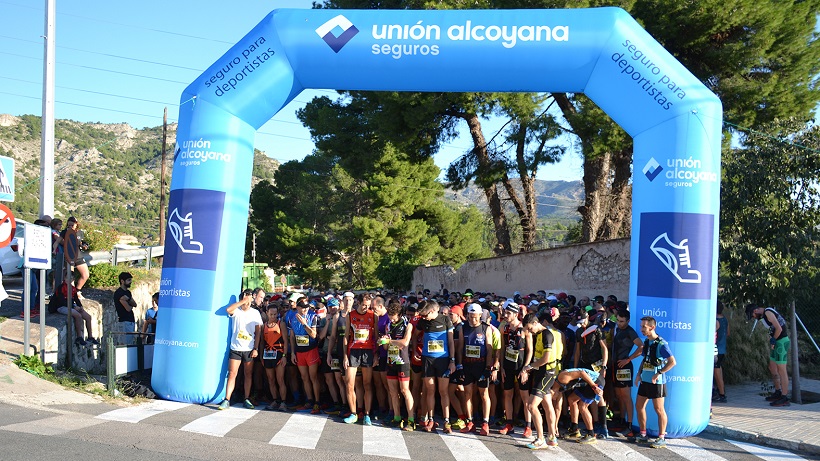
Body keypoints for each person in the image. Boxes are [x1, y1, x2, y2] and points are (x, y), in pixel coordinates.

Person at [519, 310, 564, 449]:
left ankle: (540, 439)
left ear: (535, 323)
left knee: (531, 406)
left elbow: (545, 358)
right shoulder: (538, 334)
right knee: (547, 404)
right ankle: (551, 437)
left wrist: (528, 367)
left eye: (529, 328)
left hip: (546, 373)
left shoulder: (546, 335)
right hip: (541, 372)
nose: (529, 332)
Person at [456, 303, 501, 436]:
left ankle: (485, 423)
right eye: (470, 317)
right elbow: (459, 349)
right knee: (468, 394)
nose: (473, 320)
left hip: (481, 365)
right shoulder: (463, 328)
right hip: (467, 364)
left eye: (475, 317)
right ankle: (470, 422)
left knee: (484, 394)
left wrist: (488, 367)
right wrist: (459, 365)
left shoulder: (486, 328)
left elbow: (489, 349)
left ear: (480, 316)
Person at [632, 316, 676, 448]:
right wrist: (639, 374)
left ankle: (661, 437)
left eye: (644, 327)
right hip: (645, 380)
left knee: (659, 409)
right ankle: (643, 434)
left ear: (652, 327)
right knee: (639, 406)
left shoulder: (662, 344)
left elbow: (672, 362)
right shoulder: (646, 342)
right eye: (641, 327)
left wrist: (659, 373)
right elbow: (645, 359)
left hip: (657, 383)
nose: (641, 329)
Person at [415, 300, 456, 433]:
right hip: (427, 360)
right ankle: (431, 419)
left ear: (432, 311)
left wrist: (452, 361)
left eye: (425, 315)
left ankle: (446, 421)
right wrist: (416, 349)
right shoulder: (422, 322)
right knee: (430, 390)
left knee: (443, 391)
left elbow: (451, 342)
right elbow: (414, 336)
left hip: (443, 359)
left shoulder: (445, 320)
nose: (424, 317)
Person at [218, 290, 263, 410]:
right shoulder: (236, 311)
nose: (248, 301)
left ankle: (246, 398)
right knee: (232, 373)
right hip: (236, 347)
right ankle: (227, 399)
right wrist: (242, 301)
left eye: (249, 298)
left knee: (248, 374)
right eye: (246, 297)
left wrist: (256, 348)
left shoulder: (255, 313)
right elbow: (228, 310)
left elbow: (258, 332)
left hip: (249, 348)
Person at [342, 292, 379, 425]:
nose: (366, 308)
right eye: (364, 305)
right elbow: (346, 336)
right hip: (353, 351)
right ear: (358, 302)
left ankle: (367, 414)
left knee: (367, 384)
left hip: (368, 351)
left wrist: (376, 354)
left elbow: (376, 337)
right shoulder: (350, 315)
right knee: (349, 383)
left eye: (368, 305)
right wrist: (345, 355)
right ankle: (353, 413)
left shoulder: (373, 316)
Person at [745, 304, 790, 407]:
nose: (754, 317)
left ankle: (784, 397)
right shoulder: (764, 315)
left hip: (781, 342)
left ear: (756, 310)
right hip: (777, 343)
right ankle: (778, 391)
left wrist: (773, 340)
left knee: (782, 370)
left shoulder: (768, 313)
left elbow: (779, 328)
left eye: (753, 315)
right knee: (772, 367)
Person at [380, 299, 415, 430]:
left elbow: (405, 342)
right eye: (390, 318)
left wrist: (390, 341)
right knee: (393, 392)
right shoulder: (388, 325)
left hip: (403, 362)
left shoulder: (408, 324)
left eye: (394, 318)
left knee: (405, 390)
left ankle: (411, 420)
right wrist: (383, 342)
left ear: (400, 315)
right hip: (391, 361)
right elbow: (385, 348)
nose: (392, 321)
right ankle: (397, 417)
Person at [499, 303, 532, 437]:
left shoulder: (524, 329)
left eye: (508, 313)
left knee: (525, 397)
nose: (505, 315)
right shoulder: (505, 328)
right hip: (508, 366)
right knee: (508, 394)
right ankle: (509, 423)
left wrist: (526, 368)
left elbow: (530, 350)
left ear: (515, 314)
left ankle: (528, 426)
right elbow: (502, 349)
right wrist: (501, 366)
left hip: (520, 366)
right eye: (505, 313)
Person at [287, 294, 322, 414]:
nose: (305, 309)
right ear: (297, 307)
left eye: (306, 306)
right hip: (299, 351)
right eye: (302, 307)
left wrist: (304, 323)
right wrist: (292, 353)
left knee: (313, 377)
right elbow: (291, 336)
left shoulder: (313, 316)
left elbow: (313, 335)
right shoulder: (292, 318)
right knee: (304, 378)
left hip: (311, 350)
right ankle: (310, 401)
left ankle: (317, 402)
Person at [612, 308, 643, 431]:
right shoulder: (618, 329)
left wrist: (628, 359)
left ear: (628, 321)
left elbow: (641, 346)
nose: (620, 323)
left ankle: (629, 425)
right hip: (616, 365)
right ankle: (622, 420)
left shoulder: (630, 332)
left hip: (624, 366)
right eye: (618, 321)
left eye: (622, 321)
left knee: (626, 396)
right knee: (619, 395)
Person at [49, 281, 96, 346]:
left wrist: (80, 306)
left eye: (71, 278)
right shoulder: (61, 288)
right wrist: (74, 307)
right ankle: (79, 337)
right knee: (78, 315)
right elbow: (61, 301)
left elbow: (76, 298)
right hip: (60, 306)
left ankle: (90, 337)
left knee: (88, 317)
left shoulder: (72, 288)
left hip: (70, 305)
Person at [261, 303, 287, 411]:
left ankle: (283, 402)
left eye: (275, 314)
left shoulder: (281, 324)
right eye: (271, 314)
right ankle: (275, 400)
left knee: (280, 379)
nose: (273, 316)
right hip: (267, 354)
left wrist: (285, 356)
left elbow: (286, 341)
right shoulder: (264, 326)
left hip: (279, 354)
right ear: (267, 313)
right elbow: (262, 342)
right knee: (271, 379)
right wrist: (261, 356)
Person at [62, 217, 90, 296]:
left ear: (76, 224)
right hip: (69, 256)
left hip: (78, 256)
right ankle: (72, 294)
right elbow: (60, 241)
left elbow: (80, 242)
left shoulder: (80, 232)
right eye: (69, 224)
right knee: (70, 277)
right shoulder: (64, 232)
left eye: (73, 224)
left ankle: (77, 290)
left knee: (85, 275)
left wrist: (84, 245)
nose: (71, 225)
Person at [113, 272, 137, 345]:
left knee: (130, 342)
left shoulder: (128, 292)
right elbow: (128, 308)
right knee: (126, 344)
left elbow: (135, 304)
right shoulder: (119, 293)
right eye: (128, 280)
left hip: (130, 321)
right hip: (124, 321)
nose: (130, 282)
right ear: (122, 281)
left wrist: (128, 300)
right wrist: (129, 302)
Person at [713, 300, 729, 403]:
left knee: (717, 373)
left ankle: (721, 394)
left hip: (716, 350)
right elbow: (728, 333)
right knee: (719, 372)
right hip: (722, 349)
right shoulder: (725, 319)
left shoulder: (715, 321)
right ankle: (720, 392)